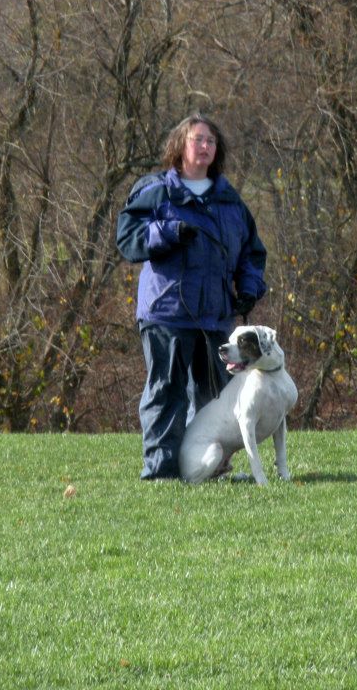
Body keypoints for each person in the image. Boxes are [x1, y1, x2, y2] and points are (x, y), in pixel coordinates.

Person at [116, 114, 267, 480]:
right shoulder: (156, 190)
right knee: (166, 394)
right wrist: (167, 233)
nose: (204, 147)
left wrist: (248, 288)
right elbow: (128, 237)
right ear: (180, 146)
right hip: (166, 314)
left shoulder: (230, 202)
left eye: (210, 141)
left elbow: (252, 254)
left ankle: (210, 469)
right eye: (197, 139)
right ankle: (162, 472)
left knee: (215, 399)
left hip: (215, 318)